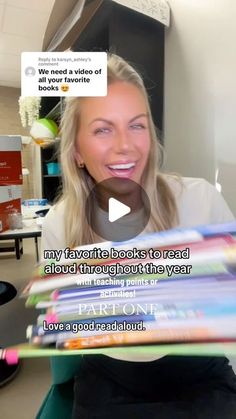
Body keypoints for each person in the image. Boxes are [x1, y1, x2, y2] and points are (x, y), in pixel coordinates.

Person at [41, 54, 236, 418]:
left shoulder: (200, 200)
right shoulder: (59, 224)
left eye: (137, 125)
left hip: (199, 376)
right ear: (78, 151)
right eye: (102, 129)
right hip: (108, 379)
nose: (125, 146)